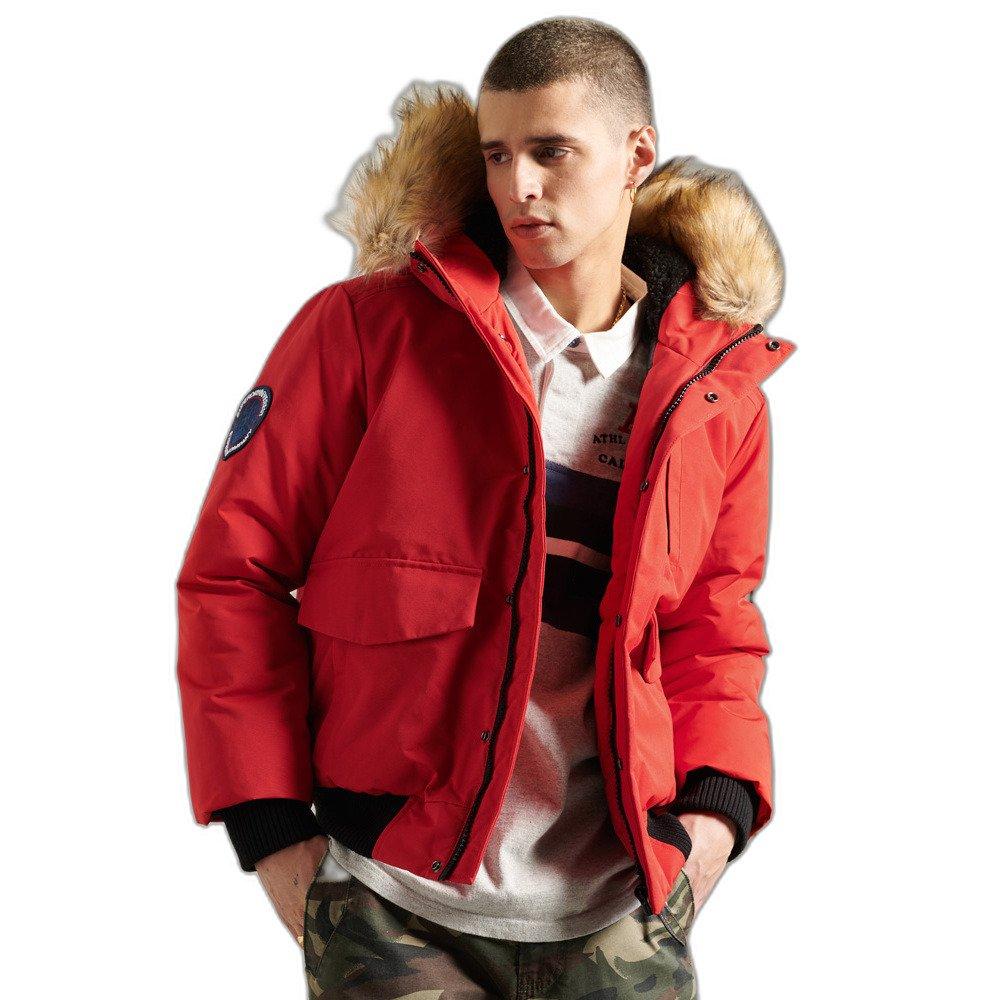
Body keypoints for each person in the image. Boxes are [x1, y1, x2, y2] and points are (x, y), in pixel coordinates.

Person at [176, 15, 795, 999]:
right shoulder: (364, 332)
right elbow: (232, 575)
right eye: (498, 154)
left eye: (552, 151)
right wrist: (276, 837)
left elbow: (714, 625)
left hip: (618, 908)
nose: (519, 187)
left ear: (636, 155)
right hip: (390, 899)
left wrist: (710, 825)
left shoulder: (715, 391)